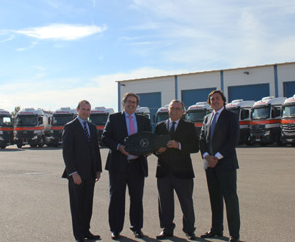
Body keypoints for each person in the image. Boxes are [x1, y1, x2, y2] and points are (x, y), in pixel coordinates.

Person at [102, 92, 152, 239]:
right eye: (129, 102)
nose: (131, 104)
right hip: (118, 165)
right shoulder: (114, 118)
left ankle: (137, 227)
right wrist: (118, 147)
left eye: (134, 102)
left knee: (137, 198)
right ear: (123, 103)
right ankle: (115, 229)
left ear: (137, 105)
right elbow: (105, 138)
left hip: (137, 165)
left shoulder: (143, 120)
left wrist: (147, 150)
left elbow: (149, 140)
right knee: (116, 198)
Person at [199, 90, 241, 242]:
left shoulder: (231, 117)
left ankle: (234, 234)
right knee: (214, 199)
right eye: (212, 99)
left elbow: (233, 141)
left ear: (223, 101)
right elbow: (202, 140)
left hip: (226, 165)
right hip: (210, 165)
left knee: (230, 199)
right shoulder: (207, 118)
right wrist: (206, 157)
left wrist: (216, 157)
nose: (214, 101)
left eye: (217, 98)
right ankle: (216, 229)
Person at [153, 100, 199, 240]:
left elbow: (195, 147)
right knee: (165, 203)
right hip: (164, 172)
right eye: (172, 108)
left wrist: (179, 145)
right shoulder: (160, 126)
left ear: (183, 111)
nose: (174, 111)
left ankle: (189, 229)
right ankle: (167, 229)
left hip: (183, 172)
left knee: (186, 203)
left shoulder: (189, 126)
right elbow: (154, 146)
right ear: (168, 110)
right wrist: (158, 151)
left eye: (178, 109)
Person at [62, 100, 103, 242]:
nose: (86, 112)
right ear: (77, 110)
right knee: (77, 205)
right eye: (83, 109)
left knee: (87, 204)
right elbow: (67, 152)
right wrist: (73, 173)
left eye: (88, 110)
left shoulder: (92, 127)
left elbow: (95, 150)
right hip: (77, 175)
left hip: (90, 173)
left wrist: (98, 169)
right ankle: (78, 235)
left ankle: (86, 230)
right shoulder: (70, 127)